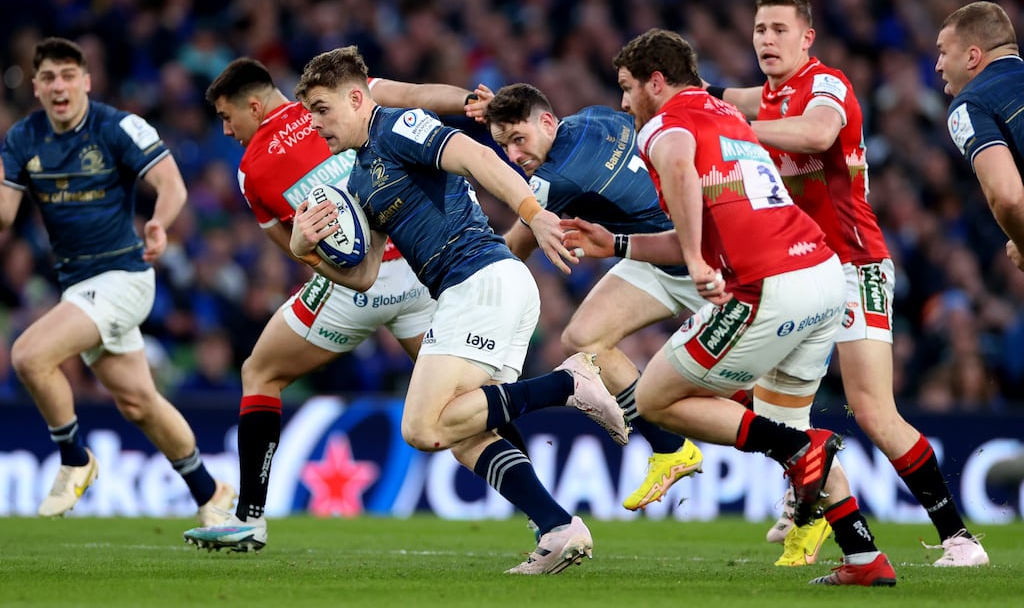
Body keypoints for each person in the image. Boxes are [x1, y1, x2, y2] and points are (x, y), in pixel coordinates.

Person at [564, 27, 896, 587]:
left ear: (656, 82)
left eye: (626, 88)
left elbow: (676, 165)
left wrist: (695, 260)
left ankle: (800, 448)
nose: (623, 102)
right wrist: (616, 243)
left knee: (656, 399)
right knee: (779, 414)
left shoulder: (664, 125)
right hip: (821, 276)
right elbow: (705, 215)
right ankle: (864, 556)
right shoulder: (730, 119)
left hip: (771, 284)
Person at [289, 45, 628, 575]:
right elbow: (363, 275)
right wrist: (304, 250)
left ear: (356, 98)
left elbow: (477, 156)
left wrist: (533, 214)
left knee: (422, 429)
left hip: (481, 280)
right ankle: (558, 527)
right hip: (474, 291)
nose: (315, 123)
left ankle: (568, 384)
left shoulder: (396, 125)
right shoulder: (358, 181)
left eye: (321, 108)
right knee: (463, 434)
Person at [709, 0, 988, 568]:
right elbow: (714, 98)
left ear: (806, 37)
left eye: (779, 29)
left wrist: (741, 129)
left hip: (853, 265)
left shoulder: (827, 85)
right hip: (799, 269)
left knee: (872, 409)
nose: (766, 39)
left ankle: (960, 539)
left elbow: (814, 135)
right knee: (763, 393)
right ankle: (806, 503)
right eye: (760, 28)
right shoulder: (764, 95)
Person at [182, 58, 502, 552]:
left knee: (260, 374)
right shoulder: (346, 96)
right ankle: (546, 514)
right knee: (465, 399)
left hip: (352, 284)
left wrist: (344, 275)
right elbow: (416, 96)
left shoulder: (250, 171)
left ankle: (249, 518)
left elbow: (297, 248)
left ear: (252, 104)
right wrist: (469, 102)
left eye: (228, 117)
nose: (227, 131)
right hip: (417, 268)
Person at [0, 37, 234, 524]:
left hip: (123, 277)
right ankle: (211, 494)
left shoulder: (117, 126)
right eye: (48, 77)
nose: (58, 85)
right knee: (138, 402)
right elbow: (5, 216)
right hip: (79, 288)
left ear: (86, 81)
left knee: (27, 354)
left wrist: (159, 223)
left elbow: (171, 183)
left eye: (68, 75)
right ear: (38, 88)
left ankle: (74, 461)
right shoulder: (22, 138)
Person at [478, 82, 705, 511]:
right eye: (503, 145)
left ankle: (814, 494)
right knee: (584, 338)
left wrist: (469, 277)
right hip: (651, 256)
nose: (513, 156)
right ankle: (672, 450)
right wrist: (503, 112)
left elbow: (517, 247)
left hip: (701, 260)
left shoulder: (552, 182)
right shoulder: (593, 115)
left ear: (546, 122)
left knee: (760, 394)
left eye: (518, 140)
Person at [937, 1, 1024, 274]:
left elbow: (1007, 196)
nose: (938, 66)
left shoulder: (969, 105)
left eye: (943, 52)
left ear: (972, 57)